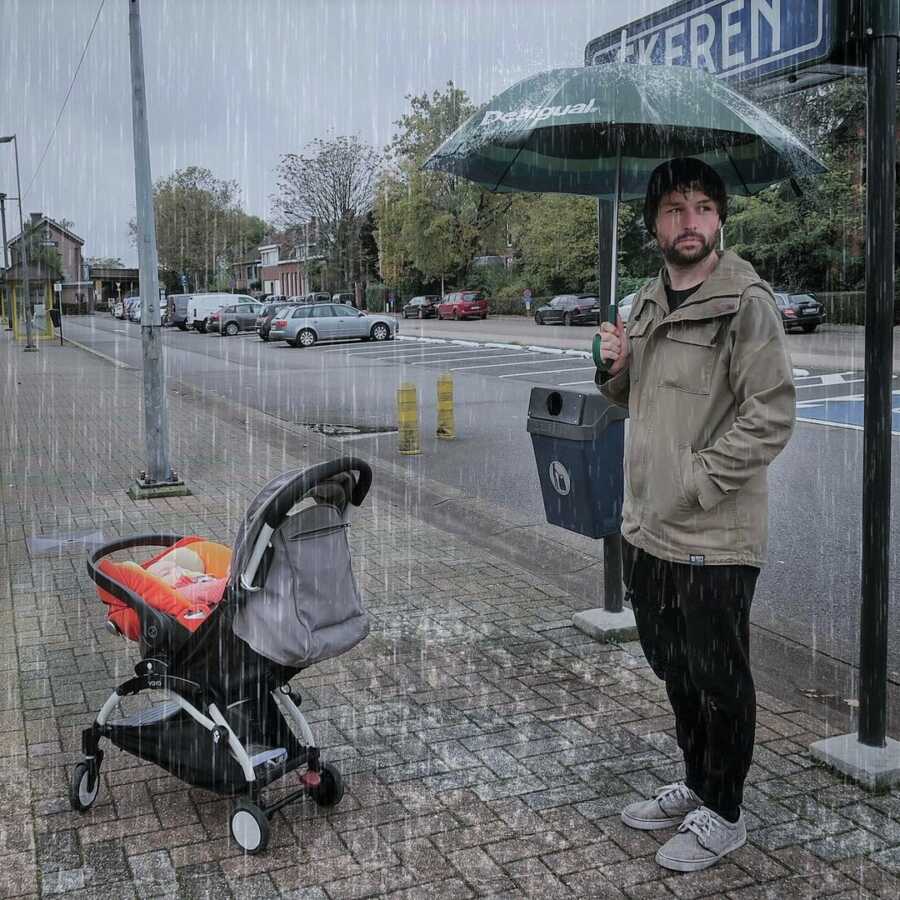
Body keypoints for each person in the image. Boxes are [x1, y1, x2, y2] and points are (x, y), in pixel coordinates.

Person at [596, 157, 795, 874]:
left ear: (721, 219)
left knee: (719, 675)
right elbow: (633, 401)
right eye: (676, 209)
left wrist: (696, 482)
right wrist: (611, 367)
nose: (692, 222)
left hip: (713, 532)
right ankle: (698, 780)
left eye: (704, 207)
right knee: (673, 665)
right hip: (648, 528)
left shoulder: (747, 302)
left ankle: (726, 811)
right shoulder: (646, 302)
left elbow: (770, 416)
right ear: (655, 223)